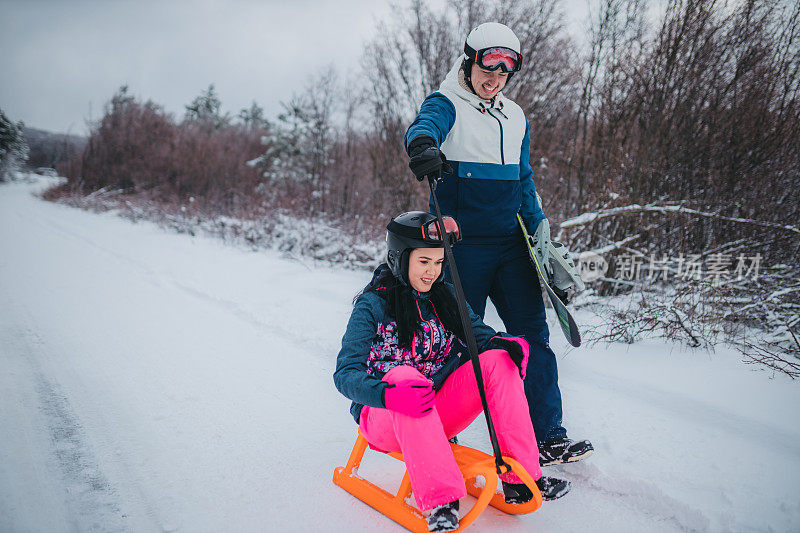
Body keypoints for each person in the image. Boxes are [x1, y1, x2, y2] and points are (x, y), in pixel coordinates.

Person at [404, 22, 593, 466]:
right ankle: (436, 433)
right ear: (470, 61)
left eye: (505, 71)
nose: (495, 78)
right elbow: (423, 126)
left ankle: (548, 435)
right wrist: (424, 145)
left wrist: (540, 229)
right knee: (451, 340)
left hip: (511, 247)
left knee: (533, 340)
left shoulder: (516, 116)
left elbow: (523, 180)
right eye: (488, 67)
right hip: (462, 247)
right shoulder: (446, 102)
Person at [334, 211, 570, 532]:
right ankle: (440, 501)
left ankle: (520, 478)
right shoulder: (372, 306)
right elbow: (345, 374)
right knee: (407, 377)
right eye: (424, 262)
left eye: (439, 262)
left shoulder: (444, 296)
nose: (432, 272)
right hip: (385, 415)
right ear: (399, 258)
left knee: (498, 359)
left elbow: (480, 336)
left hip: (437, 412)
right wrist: (388, 394)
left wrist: (506, 345)